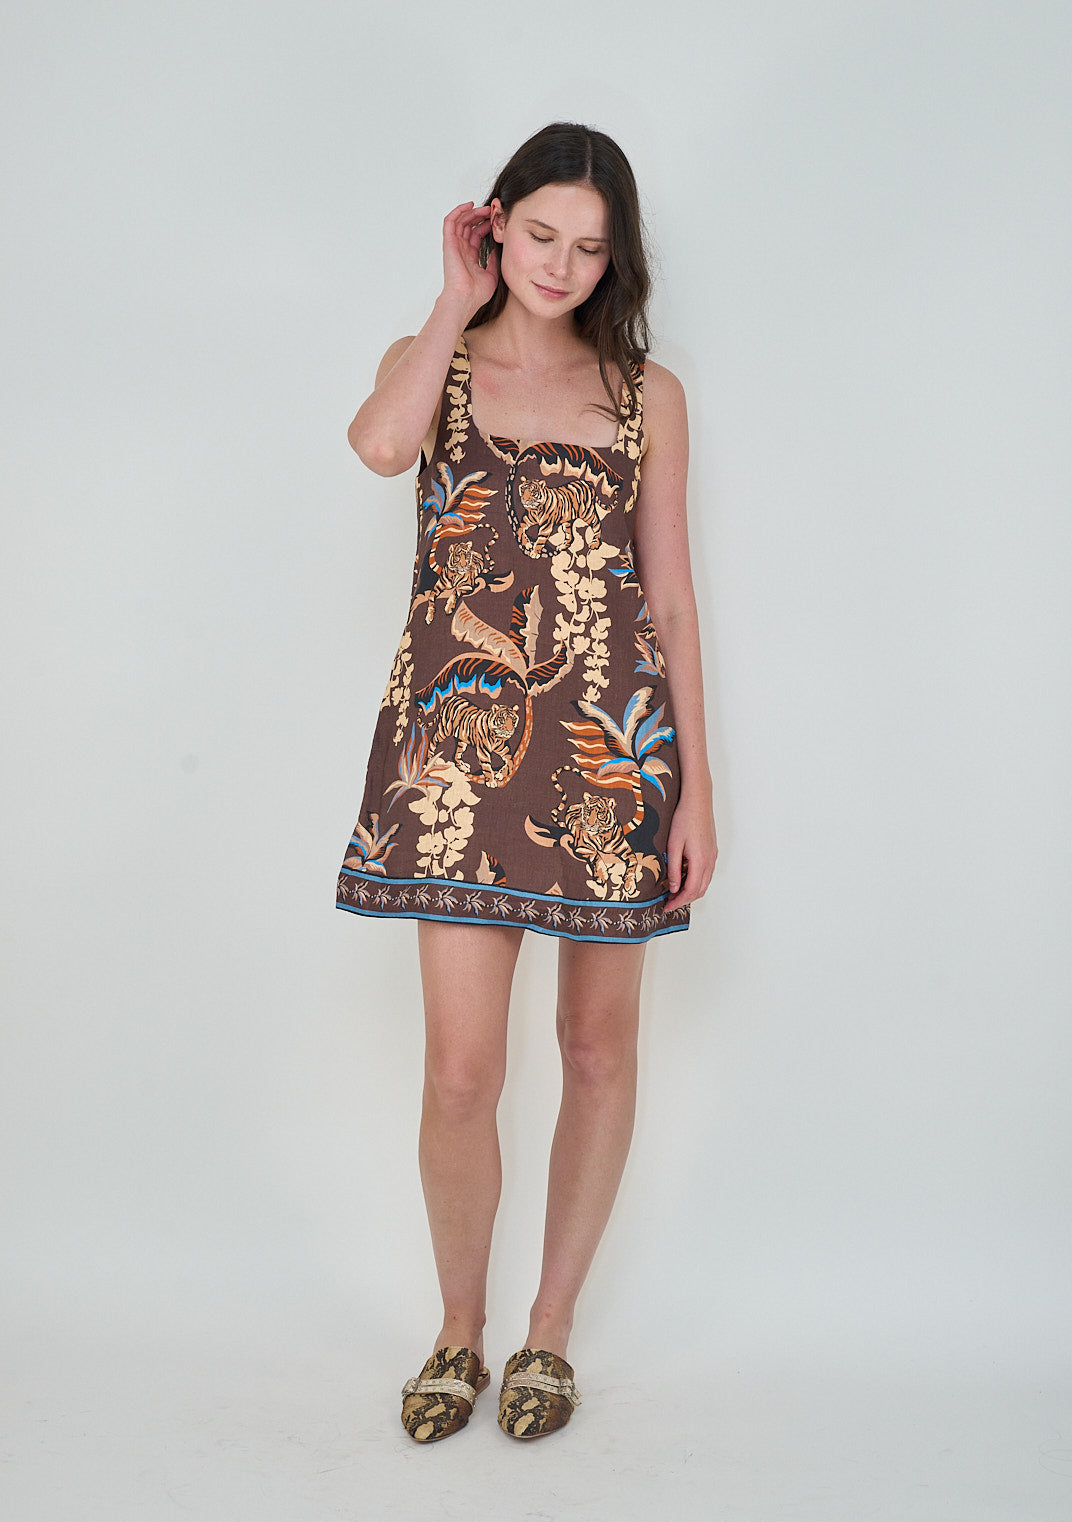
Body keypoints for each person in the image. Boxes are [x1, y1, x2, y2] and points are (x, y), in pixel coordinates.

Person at [338, 123, 717, 1442]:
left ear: (618, 260)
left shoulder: (647, 394)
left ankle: (548, 1333)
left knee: (597, 1050)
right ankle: (460, 1330)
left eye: (590, 247)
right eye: (540, 233)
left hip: (612, 750)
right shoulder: (432, 359)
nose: (561, 265)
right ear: (494, 225)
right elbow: (379, 448)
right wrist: (454, 301)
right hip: (461, 752)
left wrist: (699, 792)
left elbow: (672, 599)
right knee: (462, 1071)